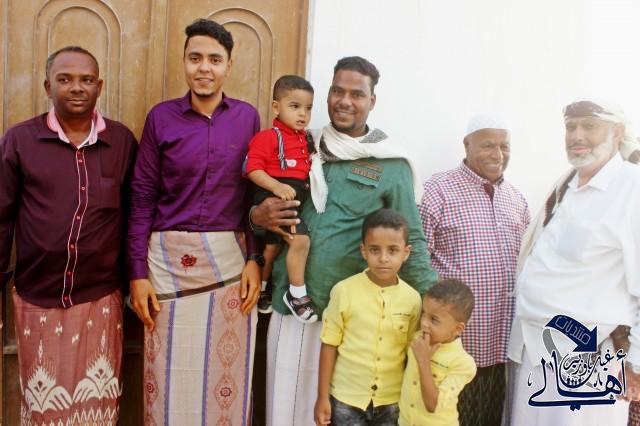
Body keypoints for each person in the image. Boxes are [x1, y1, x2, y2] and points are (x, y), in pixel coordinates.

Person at [251, 56, 439, 425]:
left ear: (372, 101)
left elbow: (411, 239)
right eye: (337, 91)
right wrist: (257, 217)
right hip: (292, 304)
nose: (345, 101)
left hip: (351, 317)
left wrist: (433, 311)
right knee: (284, 413)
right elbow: (261, 201)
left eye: (357, 94)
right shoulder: (303, 145)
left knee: (332, 415)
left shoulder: (391, 163)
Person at [127, 19, 261, 424]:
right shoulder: (161, 118)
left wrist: (255, 259)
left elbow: (253, 196)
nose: (204, 67)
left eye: (215, 60)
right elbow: (142, 197)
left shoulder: (247, 118)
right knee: (166, 376)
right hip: (167, 271)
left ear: (229, 66)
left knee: (226, 377)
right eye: (195, 58)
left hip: (229, 268)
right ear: (184, 62)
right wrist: (137, 274)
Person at [0, 45, 137, 424]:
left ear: (99, 86)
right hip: (38, 296)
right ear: (48, 86)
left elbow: (134, 215)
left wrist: (136, 278)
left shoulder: (121, 141)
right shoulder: (20, 140)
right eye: (65, 79)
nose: (77, 87)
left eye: (86, 80)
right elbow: (2, 216)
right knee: (45, 407)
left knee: (97, 406)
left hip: (100, 297)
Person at [506, 98, 640, 425]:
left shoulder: (632, 189)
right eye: (570, 127)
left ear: (617, 132)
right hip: (534, 352)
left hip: (588, 363)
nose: (577, 135)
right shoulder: (566, 185)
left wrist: (636, 363)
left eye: (589, 126)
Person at [418, 113, 530, 425]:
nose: (498, 154)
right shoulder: (438, 189)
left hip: (501, 343)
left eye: (504, 146)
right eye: (488, 145)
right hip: (454, 345)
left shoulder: (517, 199)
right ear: (467, 144)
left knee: (491, 418)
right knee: (448, 417)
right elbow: (417, 260)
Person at [314, 209, 422, 425]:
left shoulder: (412, 299)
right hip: (346, 398)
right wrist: (322, 397)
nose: (383, 258)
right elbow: (329, 345)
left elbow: (411, 352)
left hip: (391, 400)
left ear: (406, 252)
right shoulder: (344, 291)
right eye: (374, 250)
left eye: (393, 250)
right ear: (363, 251)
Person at [245, 75, 316, 322]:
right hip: (274, 200)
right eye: (294, 106)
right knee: (301, 240)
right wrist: (276, 186)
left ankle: (263, 290)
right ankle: (297, 296)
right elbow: (252, 168)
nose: (303, 114)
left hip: (294, 199)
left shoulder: (306, 139)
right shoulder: (268, 137)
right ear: (276, 107)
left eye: (308, 108)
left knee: (272, 248)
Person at [399, 279, 477, 426]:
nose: (423, 323)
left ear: (458, 329)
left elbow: (433, 405)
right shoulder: (416, 339)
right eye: (424, 313)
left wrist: (424, 361)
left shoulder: (463, 363)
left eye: (434, 320)